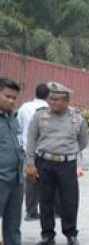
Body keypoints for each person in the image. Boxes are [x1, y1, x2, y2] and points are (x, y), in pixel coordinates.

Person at [25, 81, 88, 245]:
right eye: (51, 98)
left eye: (57, 99)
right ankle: (47, 235)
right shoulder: (39, 116)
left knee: (69, 201)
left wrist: (66, 152)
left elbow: (82, 142)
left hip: (67, 165)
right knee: (45, 200)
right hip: (44, 163)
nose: (52, 102)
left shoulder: (77, 118)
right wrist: (30, 163)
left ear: (66, 100)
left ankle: (71, 234)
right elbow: (31, 140)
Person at [0, 78, 40, 245]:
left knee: (13, 224)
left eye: (15, 98)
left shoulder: (12, 118)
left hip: (15, 179)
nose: (12, 101)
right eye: (7, 97)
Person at [16, 82, 49, 221]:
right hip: (46, 150)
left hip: (27, 149)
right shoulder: (50, 108)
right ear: (49, 95)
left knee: (31, 181)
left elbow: (18, 126)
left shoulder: (24, 107)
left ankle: (31, 212)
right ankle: (51, 211)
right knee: (49, 181)